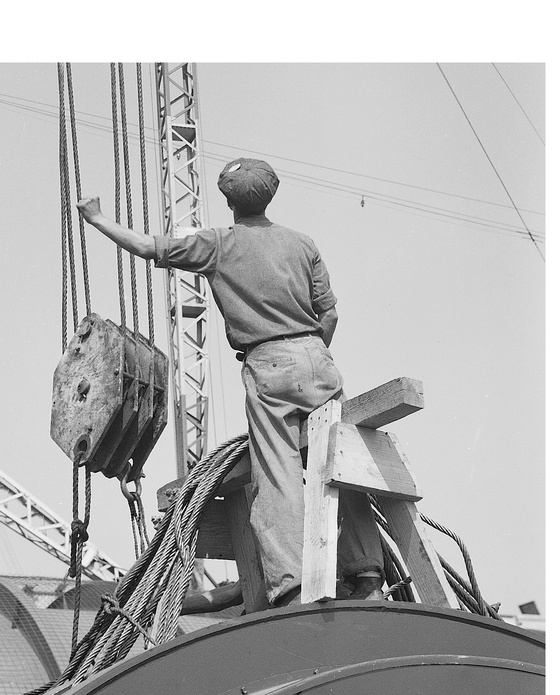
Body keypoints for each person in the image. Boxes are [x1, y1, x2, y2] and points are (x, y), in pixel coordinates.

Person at [78, 157, 385, 608]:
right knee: (339, 460)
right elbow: (331, 314)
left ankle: (295, 585)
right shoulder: (303, 244)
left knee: (277, 472)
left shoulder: (218, 245)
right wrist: (312, 354)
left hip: (268, 365)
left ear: (227, 199)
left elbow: (146, 247)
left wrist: (97, 217)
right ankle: (368, 575)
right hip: (319, 358)